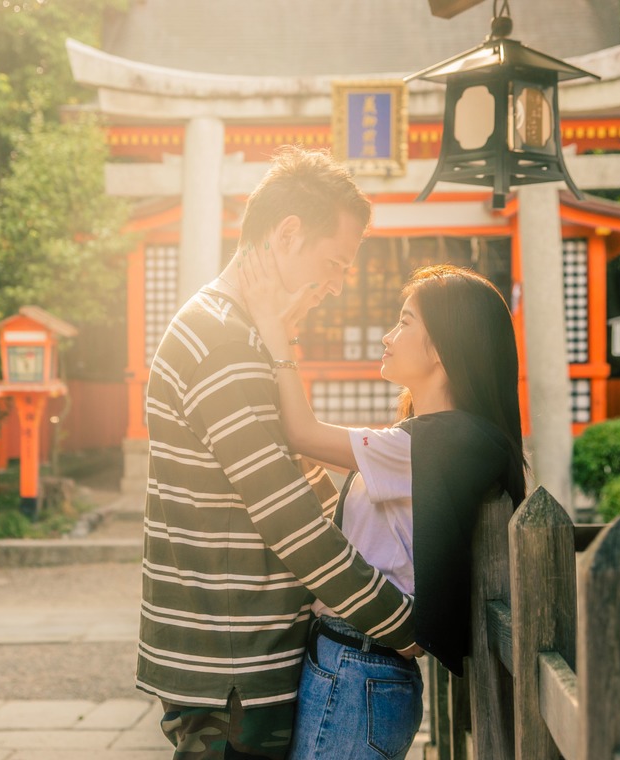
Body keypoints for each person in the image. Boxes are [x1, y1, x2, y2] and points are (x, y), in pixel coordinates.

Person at [136, 146, 420, 760]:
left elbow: (298, 479)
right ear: (288, 234)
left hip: (228, 650)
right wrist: (403, 624)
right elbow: (287, 516)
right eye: (334, 263)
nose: (338, 285)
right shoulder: (222, 341)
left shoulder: (238, 329)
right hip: (233, 661)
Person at [238, 257, 528, 760]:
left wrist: (275, 332)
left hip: (358, 671)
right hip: (355, 667)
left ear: (443, 346)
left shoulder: (438, 442)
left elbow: (300, 434)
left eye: (406, 321)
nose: (388, 335)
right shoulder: (432, 442)